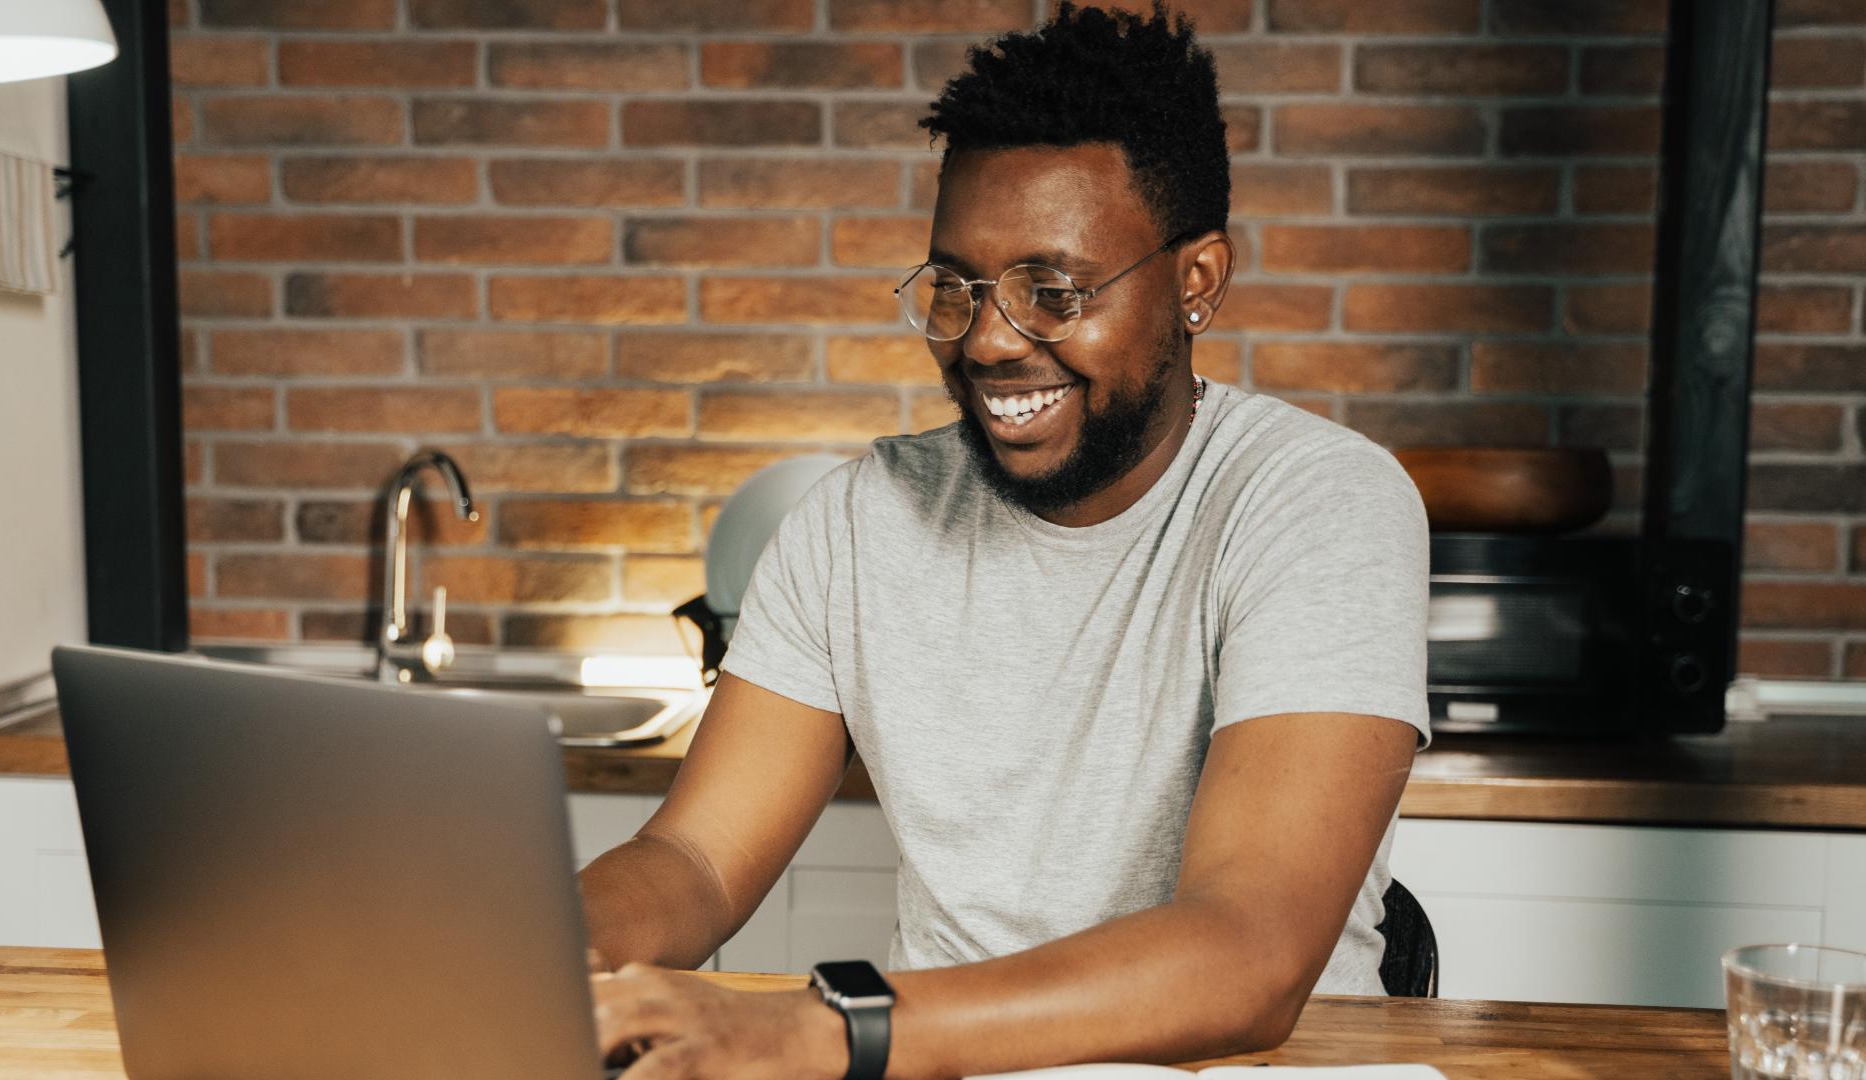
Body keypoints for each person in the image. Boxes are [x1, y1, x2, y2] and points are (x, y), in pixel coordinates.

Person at [580, 4, 1431, 1077]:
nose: (988, 339)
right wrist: (544, 955)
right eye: (959, 289)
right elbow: (694, 858)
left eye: (1053, 292)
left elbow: (1245, 956)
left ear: (1196, 281)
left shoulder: (1317, 503)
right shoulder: (857, 520)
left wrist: (821, 1030)